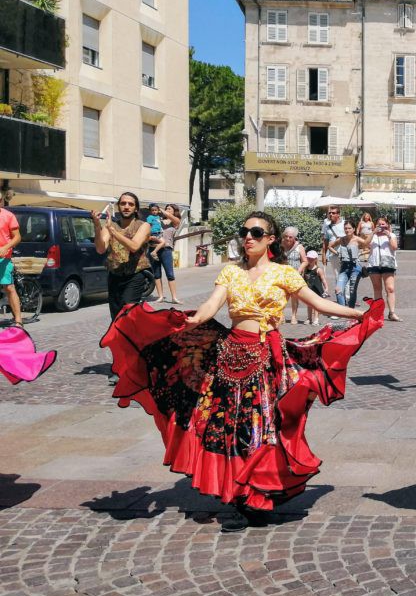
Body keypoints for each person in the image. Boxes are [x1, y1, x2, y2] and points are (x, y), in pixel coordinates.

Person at [99, 211, 385, 532]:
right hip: (230, 353)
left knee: (259, 427)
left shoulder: (283, 273)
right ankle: (234, 497)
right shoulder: (231, 273)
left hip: (264, 357)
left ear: (271, 239)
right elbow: (212, 305)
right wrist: (194, 319)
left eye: (257, 232)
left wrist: (359, 313)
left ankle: (255, 495)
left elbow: (318, 303)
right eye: (245, 232)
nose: (248, 237)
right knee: (227, 426)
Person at [92, 192, 154, 385]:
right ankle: (121, 364)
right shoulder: (111, 225)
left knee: (127, 319)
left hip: (136, 276)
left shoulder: (143, 226)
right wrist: (97, 225)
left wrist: (113, 232)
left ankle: (134, 366)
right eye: (123, 203)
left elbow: (134, 246)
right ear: (119, 206)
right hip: (115, 276)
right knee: (116, 324)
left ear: (136, 208)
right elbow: (100, 249)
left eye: (130, 204)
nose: (126, 206)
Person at [368, 216, 400, 322]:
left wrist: (388, 235)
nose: (381, 226)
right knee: (377, 289)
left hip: (388, 263)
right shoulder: (372, 236)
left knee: (390, 288)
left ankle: (392, 313)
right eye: (379, 224)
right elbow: (364, 244)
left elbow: (394, 247)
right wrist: (373, 233)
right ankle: (378, 313)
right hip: (374, 263)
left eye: (383, 224)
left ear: (387, 225)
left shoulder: (391, 235)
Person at [330, 219, 365, 308]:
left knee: (352, 290)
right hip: (344, 267)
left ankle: (351, 311)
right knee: (338, 290)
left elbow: (370, 246)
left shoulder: (357, 239)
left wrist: (361, 253)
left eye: (349, 228)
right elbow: (330, 246)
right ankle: (343, 311)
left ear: (353, 229)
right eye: (345, 228)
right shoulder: (341, 239)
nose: (347, 230)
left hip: (355, 267)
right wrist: (337, 253)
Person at [151, 204, 181, 305]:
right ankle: (160, 296)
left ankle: (174, 297)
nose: (167, 210)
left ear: (174, 211)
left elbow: (173, 218)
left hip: (166, 249)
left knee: (170, 274)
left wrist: (162, 210)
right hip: (154, 248)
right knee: (156, 274)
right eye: (166, 208)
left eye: (169, 209)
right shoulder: (157, 219)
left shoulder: (175, 222)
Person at [0, 204, 23, 328]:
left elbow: (18, 237)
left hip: (3, 258)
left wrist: (5, 247)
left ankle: (18, 320)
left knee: (9, 288)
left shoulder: (8, 216)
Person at [320, 205, 346, 304]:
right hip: (333, 255)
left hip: (345, 254)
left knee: (346, 276)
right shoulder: (327, 226)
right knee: (337, 277)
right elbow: (325, 242)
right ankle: (341, 302)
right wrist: (323, 255)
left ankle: (346, 301)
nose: (331, 214)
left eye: (333, 213)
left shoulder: (344, 224)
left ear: (338, 214)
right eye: (330, 213)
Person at [280, 225, 305, 323]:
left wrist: (299, 271)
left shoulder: (299, 247)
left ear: (294, 237)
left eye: (290, 237)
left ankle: (294, 316)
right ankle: (281, 315)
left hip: (295, 275)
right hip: (282, 274)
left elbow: (304, 261)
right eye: (286, 236)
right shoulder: (280, 245)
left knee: (294, 297)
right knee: (281, 295)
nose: (287, 238)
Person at [301, 250, 329, 325]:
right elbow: (304, 279)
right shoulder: (305, 269)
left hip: (317, 290)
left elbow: (323, 280)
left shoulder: (318, 270)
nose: (310, 260)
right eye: (308, 258)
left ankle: (316, 319)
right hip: (308, 289)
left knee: (316, 305)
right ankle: (309, 318)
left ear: (316, 259)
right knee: (309, 304)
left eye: (312, 258)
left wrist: (326, 288)